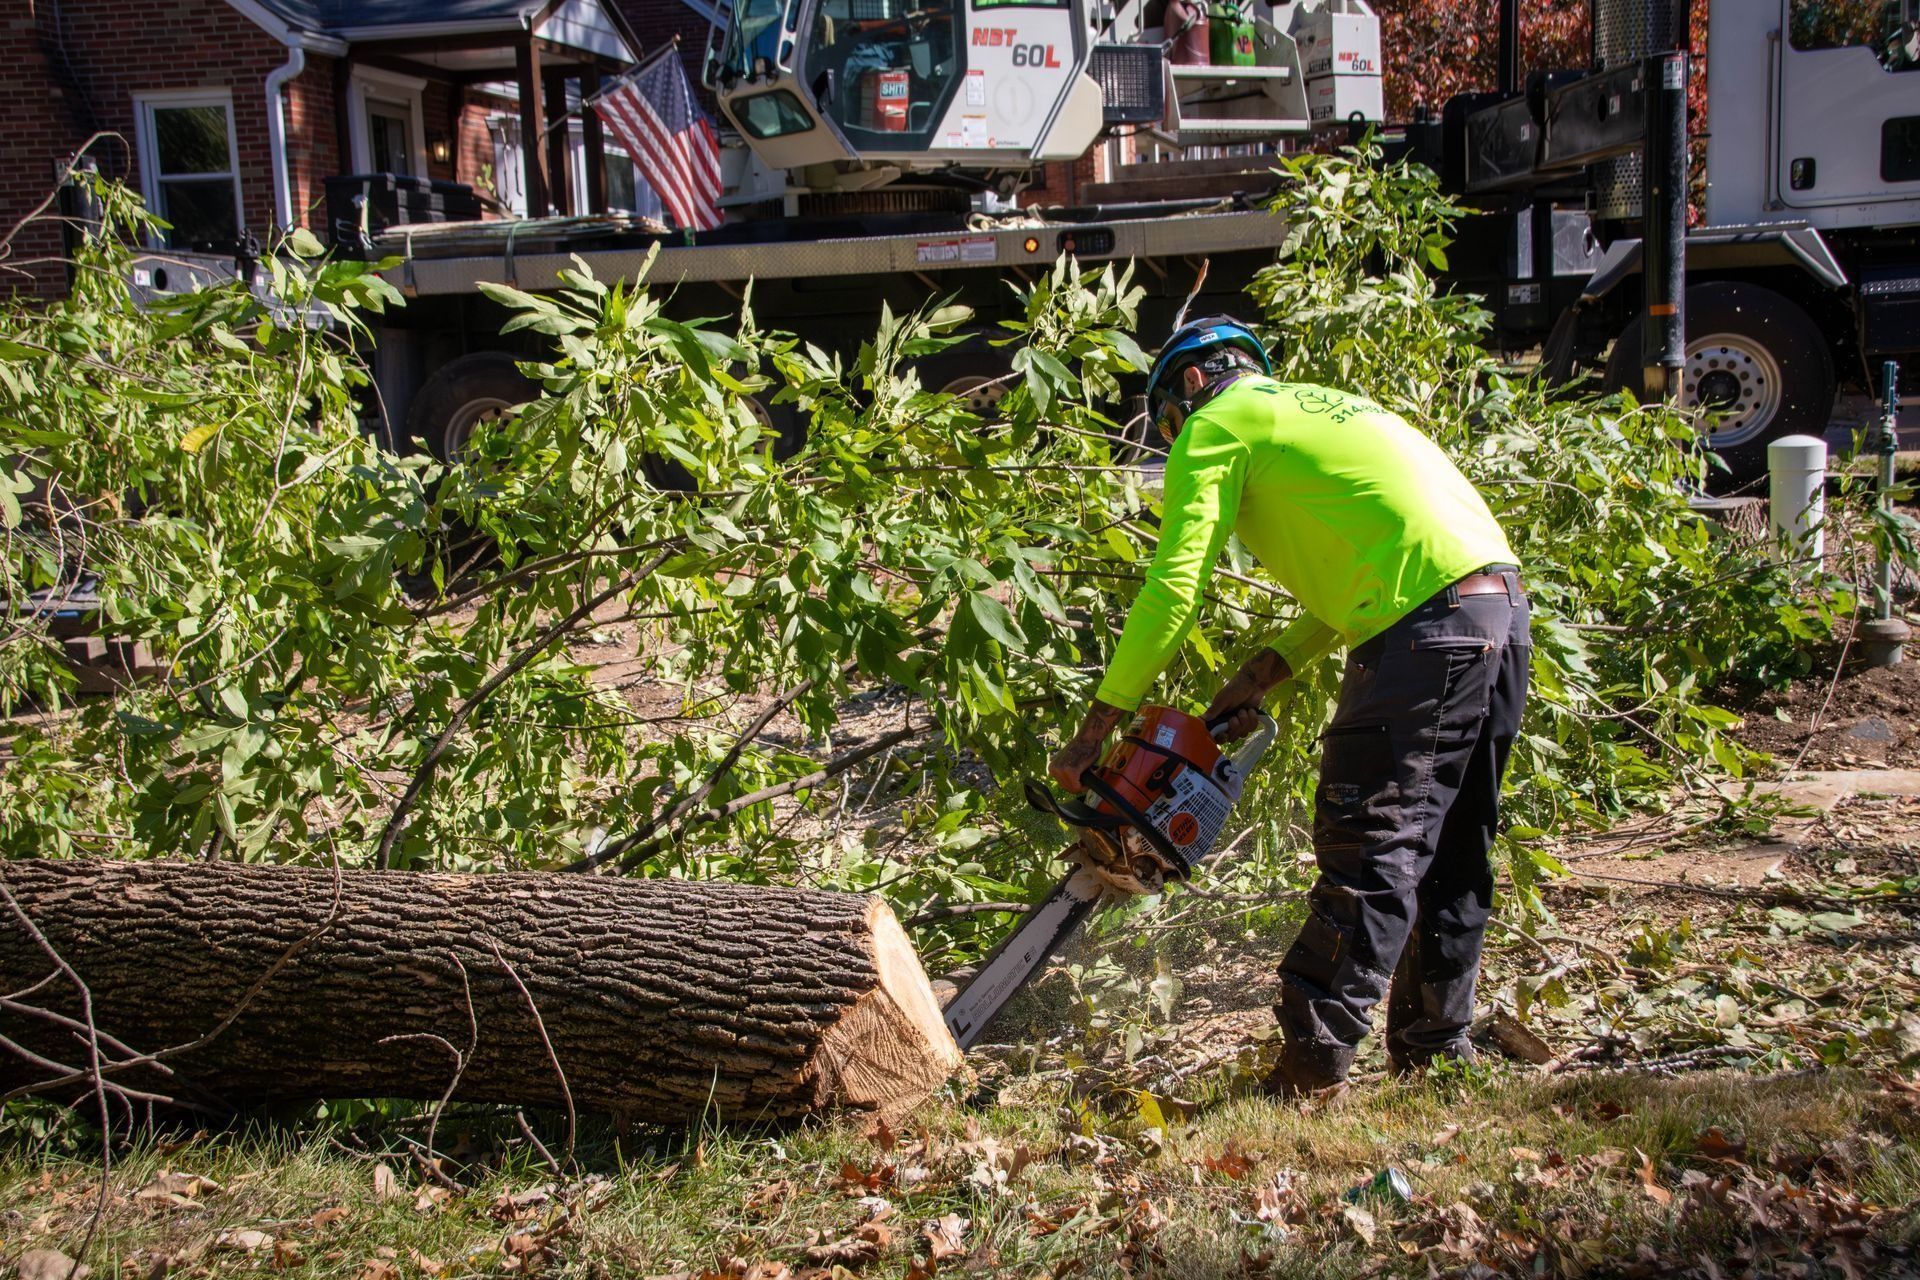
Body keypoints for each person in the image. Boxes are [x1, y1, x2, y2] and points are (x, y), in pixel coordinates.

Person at [1047, 316, 1531, 1096]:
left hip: (1424, 632)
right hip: (1499, 611)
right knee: (1452, 847)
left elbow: (1176, 586)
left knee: (1368, 846)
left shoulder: (1218, 425)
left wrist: (1095, 728)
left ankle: (1309, 1074)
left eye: (1170, 421)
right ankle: (1436, 1054)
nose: (1176, 437)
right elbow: (1394, 557)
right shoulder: (1325, 408)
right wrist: (1267, 670)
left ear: (1193, 385)